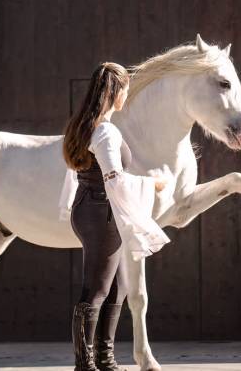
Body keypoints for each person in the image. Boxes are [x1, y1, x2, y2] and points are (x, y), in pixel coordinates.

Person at [59, 62, 172, 371]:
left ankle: (105, 359)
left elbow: (76, 172)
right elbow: (115, 179)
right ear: (113, 91)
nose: (126, 94)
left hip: (92, 209)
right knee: (96, 290)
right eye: (124, 88)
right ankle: (85, 364)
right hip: (100, 212)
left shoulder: (85, 124)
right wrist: (153, 183)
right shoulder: (105, 130)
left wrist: (70, 206)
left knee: (118, 287)